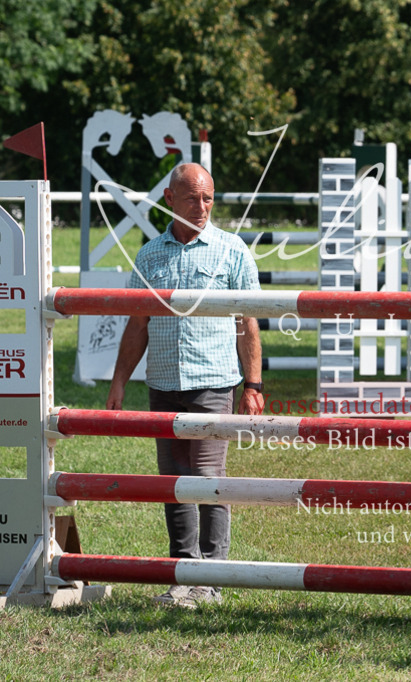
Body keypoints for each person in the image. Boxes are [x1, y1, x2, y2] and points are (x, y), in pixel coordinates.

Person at [106, 162, 264, 608]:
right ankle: (182, 572)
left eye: (209, 198)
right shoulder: (149, 256)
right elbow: (137, 324)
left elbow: (247, 322)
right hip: (163, 383)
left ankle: (210, 578)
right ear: (169, 199)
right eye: (193, 198)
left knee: (209, 477)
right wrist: (119, 381)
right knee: (173, 481)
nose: (202, 207)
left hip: (214, 383)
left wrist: (253, 383)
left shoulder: (232, 251)